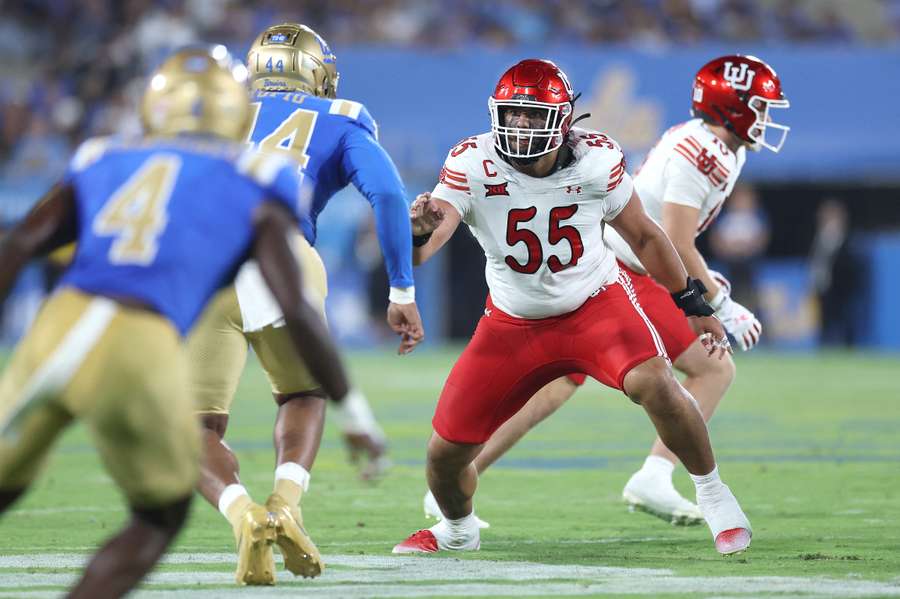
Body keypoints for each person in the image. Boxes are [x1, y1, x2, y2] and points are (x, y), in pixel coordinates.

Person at [0, 47, 350, 599]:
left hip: (59, 323)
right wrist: (353, 406)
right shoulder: (256, 173)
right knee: (158, 515)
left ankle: (242, 512)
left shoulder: (102, 155)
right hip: (141, 340)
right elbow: (299, 300)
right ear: (235, 112)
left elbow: (19, 243)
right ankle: (282, 503)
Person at [393, 58, 751, 557]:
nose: (518, 127)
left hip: (594, 306)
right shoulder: (472, 161)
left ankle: (714, 494)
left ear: (562, 119)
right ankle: (458, 530)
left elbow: (646, 237)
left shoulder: (596, 158)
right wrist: (416, 231)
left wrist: (692, 301)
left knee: (656, 381)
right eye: (512, 114)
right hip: (512, 323)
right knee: (443, 455)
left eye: (531, 114)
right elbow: (428, 246)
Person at [187, 23, 424, 585]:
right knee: (302, 391)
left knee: (193, 425)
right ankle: (286, 504)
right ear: (317, 73)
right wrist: (401, 290)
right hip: (282, 255)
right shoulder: (340, 116)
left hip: (200, 262)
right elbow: (388, 194)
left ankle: (244, 515)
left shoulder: (214, 112)